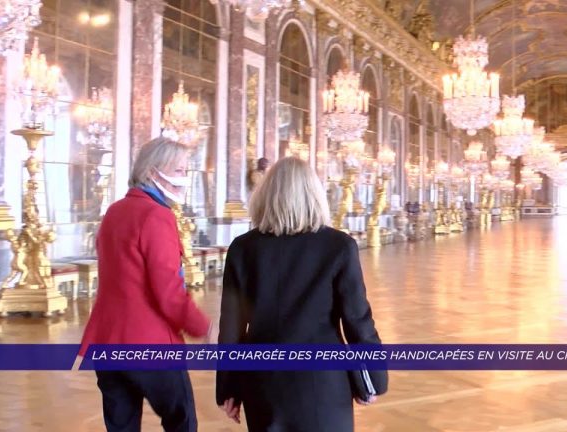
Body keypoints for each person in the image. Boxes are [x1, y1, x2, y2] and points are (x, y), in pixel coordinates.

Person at [216, 157, 386, 431]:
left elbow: (231, 329)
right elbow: (357, 320)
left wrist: (228, 386)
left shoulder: (242, 248)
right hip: (323, 379)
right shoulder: (339, 246)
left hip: (262, 379)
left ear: (265, 196)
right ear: (314, 195)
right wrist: (373, 379)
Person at [80, 137, 211, 432]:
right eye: (178, 170)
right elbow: (167, 292)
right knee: (181, 423)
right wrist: (202, 326)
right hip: (150, 344)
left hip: (108, 342)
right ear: (153, 172)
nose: (183, 178)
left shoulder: (114, 211)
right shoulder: (157, 216)